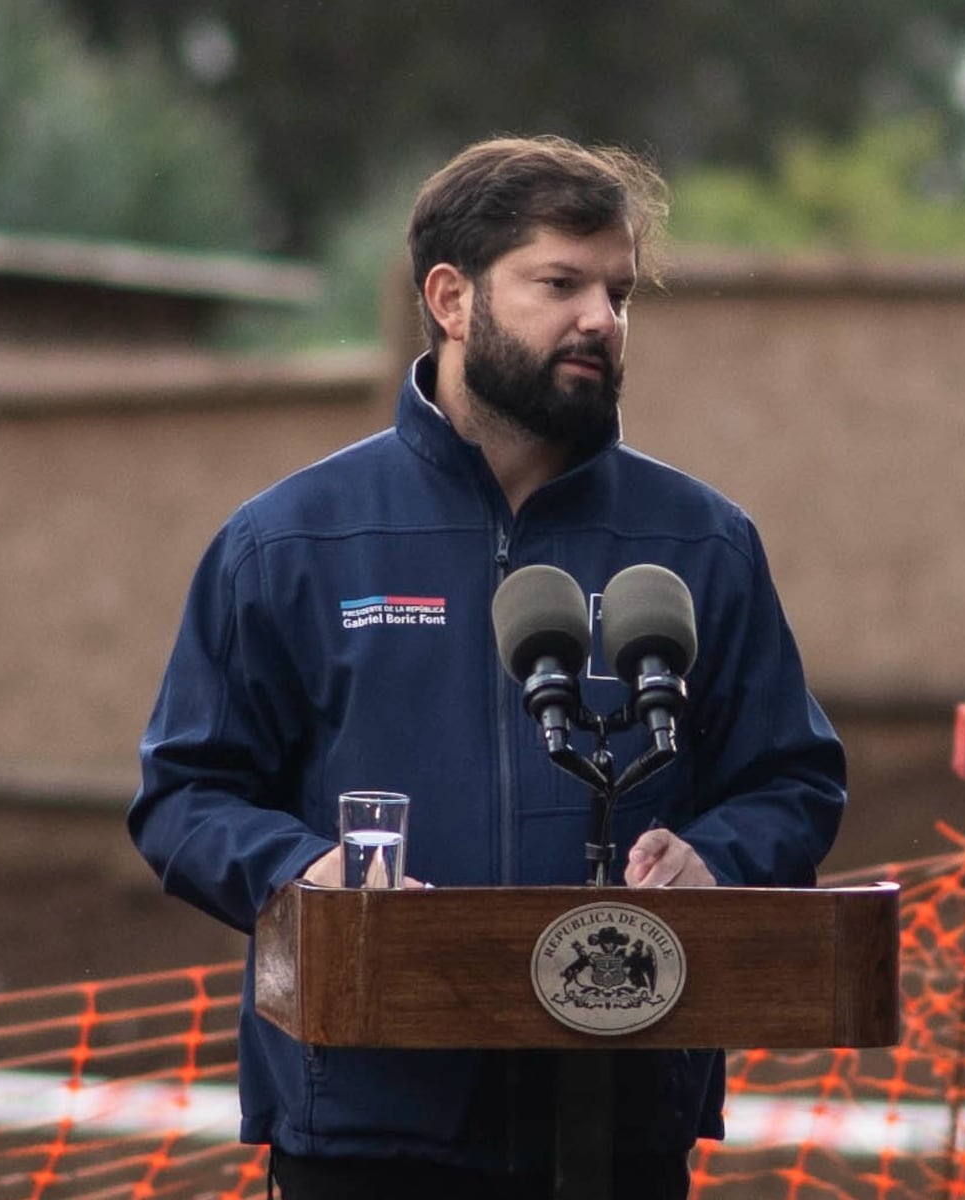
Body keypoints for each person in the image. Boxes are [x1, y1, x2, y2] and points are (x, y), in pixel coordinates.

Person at [130, 134, 846, 1200]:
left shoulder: (701, 544)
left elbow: (795, 779)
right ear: (452, 298)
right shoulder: (290, 542)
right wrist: (304, 877)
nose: (601, 319)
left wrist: (719, 863)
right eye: (560, 283)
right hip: (364, 1125)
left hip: (621, 1126)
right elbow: (185, 795)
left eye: (619, 291)